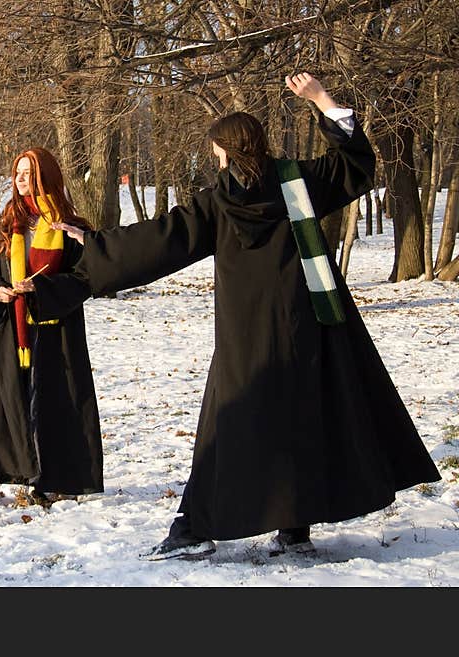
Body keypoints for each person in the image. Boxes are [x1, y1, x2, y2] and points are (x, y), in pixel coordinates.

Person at [45, 72, 441, 558]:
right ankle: (294, 526)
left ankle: (193, 529)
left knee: (227, 422)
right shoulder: (298, 184)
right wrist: (320, 99)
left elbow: (164, 240)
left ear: (230, 152)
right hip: (307, 323)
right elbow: (355, 164)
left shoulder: (221, 202)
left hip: (247, 333)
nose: (216, 159)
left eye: (217, 151)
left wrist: (98, 246)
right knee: (301, 414)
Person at [0, 147, 104, 508]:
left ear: (47, 176)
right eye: (18, 173)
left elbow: (84, 279)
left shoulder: (69, 226)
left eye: (30, 173)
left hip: (54, 328)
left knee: (54, 402)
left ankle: (51, 478)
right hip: (10, 329)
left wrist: (41, 289)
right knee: (2, 404)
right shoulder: (4, 223)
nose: (21, 180)